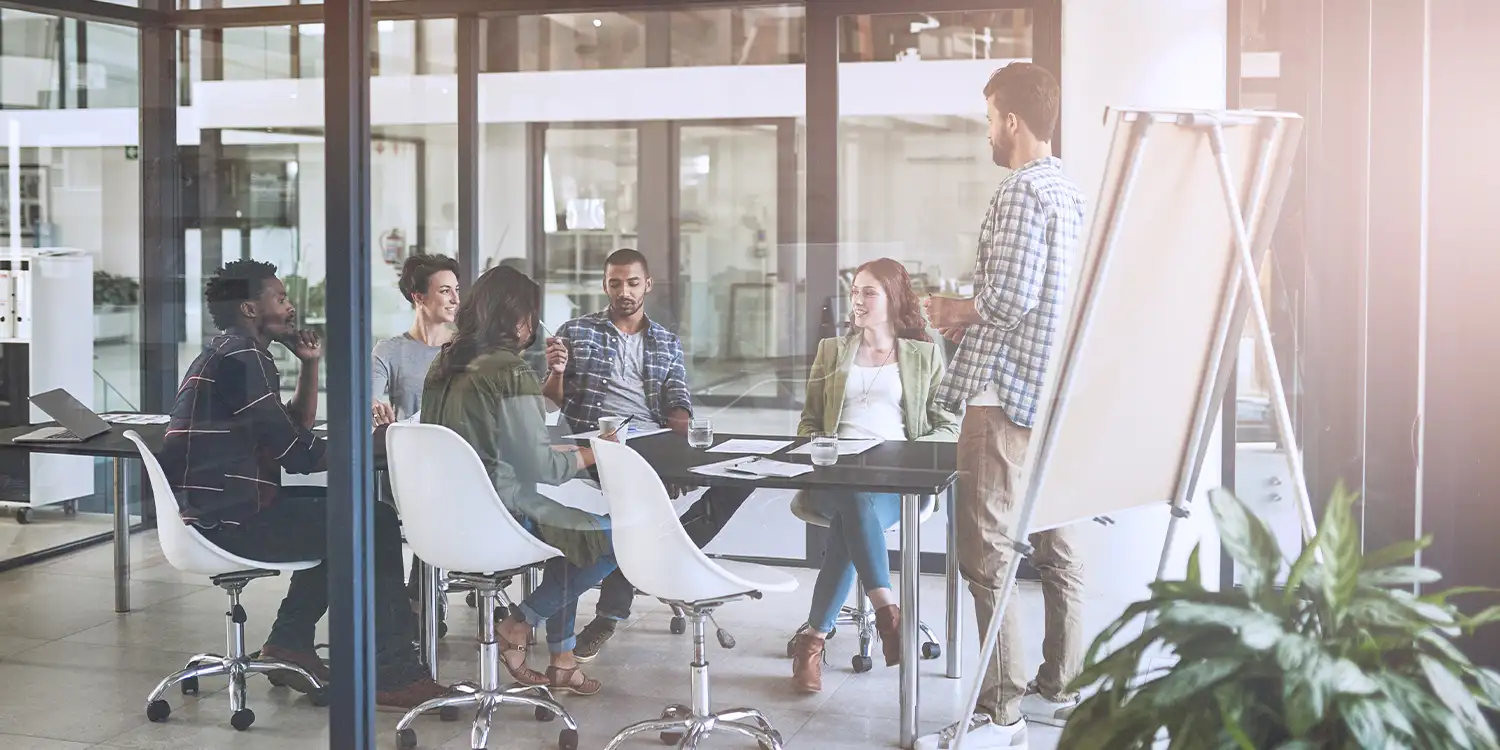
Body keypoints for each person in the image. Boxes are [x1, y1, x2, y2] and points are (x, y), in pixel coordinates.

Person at [158, 260, 445, 711]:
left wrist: (309, 364)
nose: (291, 306)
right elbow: (297, 453)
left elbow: (293, 427)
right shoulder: (242, 357)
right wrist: (372, 441)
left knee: (347, 512)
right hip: (231, 517)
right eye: (280, 298)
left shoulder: (234, 352)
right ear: (251, 308)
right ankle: (393, 673)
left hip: (223, 507)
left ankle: (289, 642)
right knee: (375, 520)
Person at [917, 62, 1088, 750]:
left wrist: (959, 309)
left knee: (986, 554)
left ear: (1012, 120)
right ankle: (1062, 683)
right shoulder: (1070, 192)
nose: (988, 130)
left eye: (990, 118)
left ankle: (1003, 711)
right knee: (1058, 545)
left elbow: (1010, 299)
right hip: (1055, 393)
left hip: (1005, 395)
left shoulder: (1020, 191)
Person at [541, 248, 752, 663]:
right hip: (596, 447)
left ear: (647, 284)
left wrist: (678, 443)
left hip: (652, 444)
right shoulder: (576, 333)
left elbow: (677, 396)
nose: (624, 291)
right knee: (635, 509)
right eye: (615, 283)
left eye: (633, 282)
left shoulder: (665, 342)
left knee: (736, 480)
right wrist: (557, 373)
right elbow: (551, 404)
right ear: (605, 285)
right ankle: (611, 613)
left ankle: (661, 553)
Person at [422, 264, 615, 695]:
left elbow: (487, 445)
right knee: (611, 536)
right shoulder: (509, 370)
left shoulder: (444, 364)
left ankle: (562, 660)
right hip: (502, 513)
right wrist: (596, 449)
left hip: (445, 519)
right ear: (515, 318)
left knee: (573, 535)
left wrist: (561, 452)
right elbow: (539, 468)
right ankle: (519, 622)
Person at [788, 258, 960, 693]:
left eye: (870, 292)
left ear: (893, 299)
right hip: (833, 476)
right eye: (855, 291)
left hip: (894, 480)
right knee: (851, 492)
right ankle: (887, 611)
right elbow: (808, 421)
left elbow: (948, 422)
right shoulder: (832, 350)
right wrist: (820, 448)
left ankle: (813, 640)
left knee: (853, 513)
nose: (858, 300)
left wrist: (906, 454)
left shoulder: (923, 354)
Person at [372, 253, 460, 425]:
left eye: (456, 290)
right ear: (419, 297)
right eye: (445, 291)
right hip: (407, 448)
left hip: (458, 449)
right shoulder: (388, 350)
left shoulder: (466, 347)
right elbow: (367, 399)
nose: (455, 299)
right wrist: (374, 407)